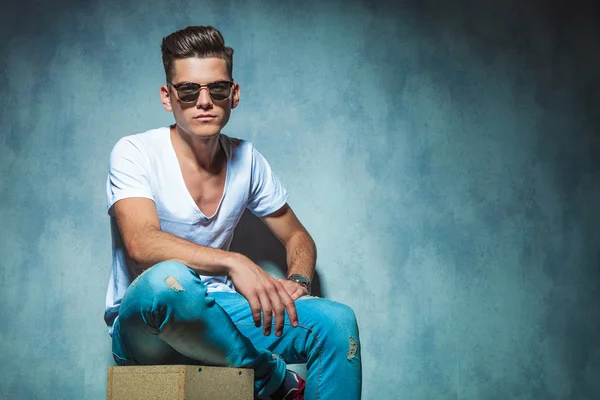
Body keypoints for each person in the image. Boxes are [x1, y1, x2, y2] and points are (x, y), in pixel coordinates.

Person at [104, 25, 361, 400]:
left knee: (337, 323)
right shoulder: (134, 151)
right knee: (170, 281)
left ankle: (261, 369)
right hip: (148, 321)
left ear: (233, 94)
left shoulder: (248, 160)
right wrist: (234, 262)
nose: (203, 102)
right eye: (188, 91)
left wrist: (300, 282)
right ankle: (271, 378)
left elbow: (297, 235)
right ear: (167, 96)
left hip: (221, 312)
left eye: (217, 89)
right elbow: (141, 243)